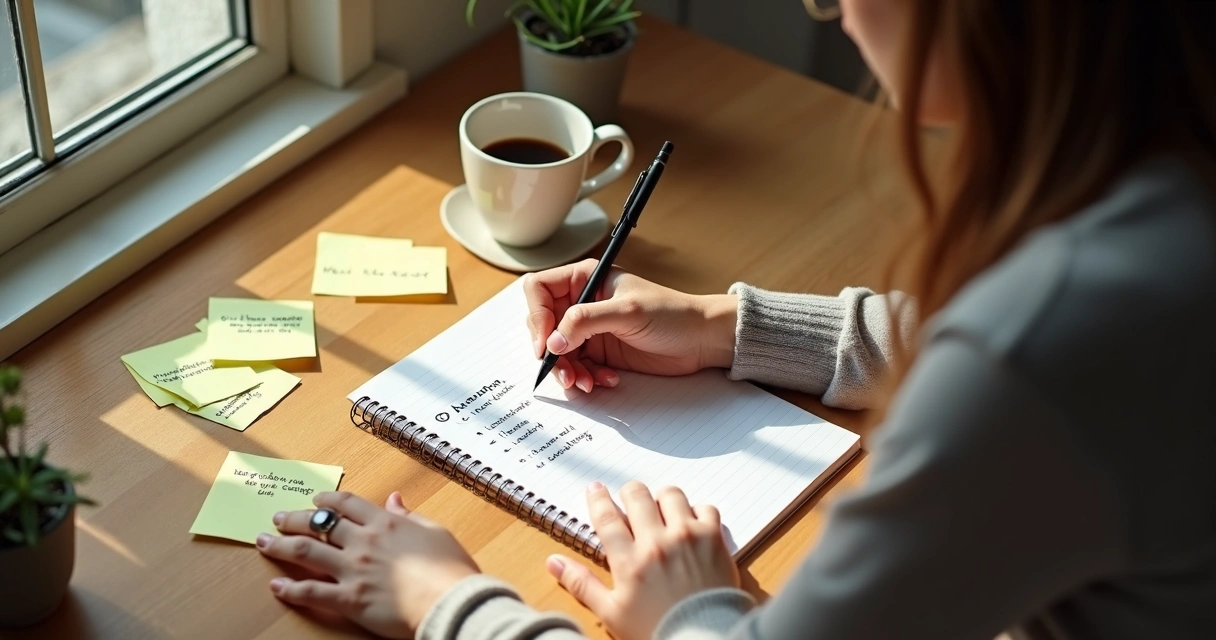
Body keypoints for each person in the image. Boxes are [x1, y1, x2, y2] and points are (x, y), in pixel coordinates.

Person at [256, 0, 1216, 638]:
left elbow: (1041, 355)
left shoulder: (1044, 348)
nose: (831, 10)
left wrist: (448, 603)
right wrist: (727, 326)